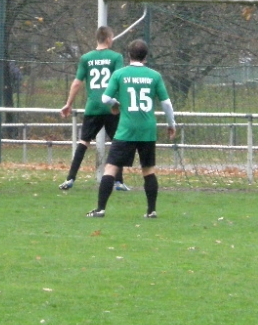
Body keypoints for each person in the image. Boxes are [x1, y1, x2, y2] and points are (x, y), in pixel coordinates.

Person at [87, 39, 175, 218]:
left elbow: (105, 99)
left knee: (111, 168)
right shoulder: (154, 76)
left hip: (126, 130)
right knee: (148, 170)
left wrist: (116, 103)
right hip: (147, 130)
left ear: (128, 55)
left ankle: (100, 209)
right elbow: (166, 103)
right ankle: (151, 211)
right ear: (146, 57)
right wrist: (171, 124)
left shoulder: (120, 74)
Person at [59, 25, 128, 191]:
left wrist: (68, 104)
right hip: (111, 107)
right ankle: (118, 182)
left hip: (93, 107)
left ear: (97, 39)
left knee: (83, 142)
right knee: (117, 143)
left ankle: (70, 179)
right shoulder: (116, 57)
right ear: (109, 39)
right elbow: (120, 80)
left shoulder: (86, 58)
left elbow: (77, 83)